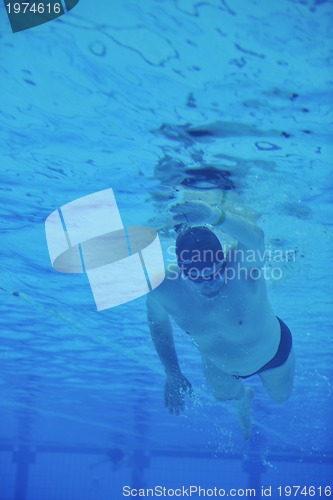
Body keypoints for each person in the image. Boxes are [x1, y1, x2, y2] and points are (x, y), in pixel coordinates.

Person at [146, 200, 295, 439]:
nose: (211, 282)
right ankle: (242, 400)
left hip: (273, 352)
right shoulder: (163, 288)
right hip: (219, 363)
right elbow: (158, 325)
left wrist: (214, 214)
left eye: (216, 271)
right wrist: (172, 372)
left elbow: (256, 236)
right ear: (183, 271)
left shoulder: (240, 266)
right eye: (198, 278)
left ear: (224, 259)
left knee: (281, 397)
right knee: (223, 395)